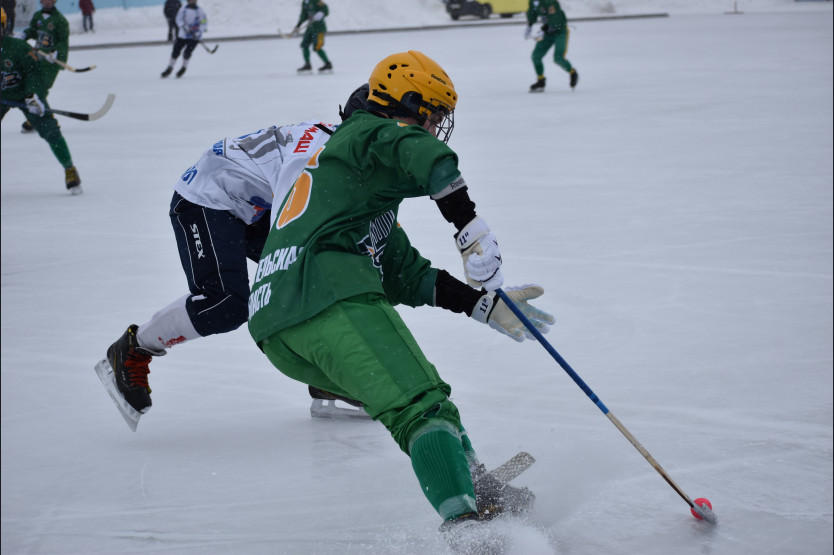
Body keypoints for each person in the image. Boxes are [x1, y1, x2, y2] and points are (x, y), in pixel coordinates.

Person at [247, 51, 554, 536]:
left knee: (421, 400)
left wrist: (485, 305)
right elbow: (424, 155)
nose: (435, 129)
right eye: (432, 116)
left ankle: (475, 487)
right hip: (326, 296)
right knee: (421, 407)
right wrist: (469, 227)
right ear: (406, 105)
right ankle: (468, 531)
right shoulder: (367, 134)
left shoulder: (351, 190)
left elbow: (406, 273)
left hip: (278, 327)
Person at [97, 96, 364, 428]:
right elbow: (294, 220)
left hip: (251, 201)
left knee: (317, 276)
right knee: (227, 302)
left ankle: (325, 375)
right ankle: (135, 347)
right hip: (208, 197)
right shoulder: (319, 156)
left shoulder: (344, 141)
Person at [1, 7, 81, 194]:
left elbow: (34, 75)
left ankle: (70, 169)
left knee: (50, 130)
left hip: (25, 96)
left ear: (4, 26)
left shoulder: (19, 48)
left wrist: (34, 96)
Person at [17, 0, 69, 132]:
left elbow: (63, 42)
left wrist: (56, 52)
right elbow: (33, 31)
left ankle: (41, 120)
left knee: (40, 89)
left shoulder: (60, 20)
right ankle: (39, 118)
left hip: (50, 63)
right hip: (37, 60)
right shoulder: (37, 16)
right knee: (33, 88)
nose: (47, 1)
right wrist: (24, 35)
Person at [525, 0, 578, 92]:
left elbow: (556, 19)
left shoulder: (549, 2)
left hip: (560, 32)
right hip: (548, 34)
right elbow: (532, 14)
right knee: (536, 56)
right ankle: (541, 80)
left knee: (558, 58)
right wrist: (529, 25)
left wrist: (544, 30)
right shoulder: (533, 2)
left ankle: (572, 72)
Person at [160, 0, 205, 78]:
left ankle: (183, 67)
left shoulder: (199, 11)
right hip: (183, 36)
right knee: (175, 51)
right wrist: (183, 26)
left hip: (194, 37)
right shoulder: (183, 9)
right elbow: (178, 19)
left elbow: (203, 22)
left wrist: (199, 31)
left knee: (187, 53)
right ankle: (170, 67)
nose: (191, 1)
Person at [292, 0, 331, 73]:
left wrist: (321, 13)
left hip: (319, 28)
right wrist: (298, 25)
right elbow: (304, 14)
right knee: (304, 45)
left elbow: (325, 9)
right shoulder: (304, 2)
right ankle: (307, 65)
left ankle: (327, 64)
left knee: (317, 47)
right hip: (310, 28)